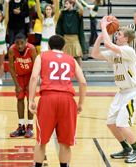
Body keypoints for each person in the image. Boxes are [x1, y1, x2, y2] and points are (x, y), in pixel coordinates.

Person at [91, 18, 136, 163]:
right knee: (111, 123)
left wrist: (103, 26)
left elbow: (109, 45)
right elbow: (94, 54)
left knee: (122, 124)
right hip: (121, 92)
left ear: (126, 39)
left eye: (119, 34)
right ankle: (126, 149)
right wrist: (99, 37)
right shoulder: (115, 52)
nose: (116, 35)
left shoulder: (129, 50)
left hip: (132, 93)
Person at [28, 34, 87, 167]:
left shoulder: (42, 56)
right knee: (65, 143)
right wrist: (81, 103)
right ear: (64, 47)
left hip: (48, 99)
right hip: (67, 100)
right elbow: (83, 82)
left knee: (41, 141)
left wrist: (31, 100)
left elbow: (33, 78)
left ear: (48, 46)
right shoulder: (71, 59)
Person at [9, 33, 37, 138]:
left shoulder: (32, 49)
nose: (20, 46)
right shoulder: (12, 49)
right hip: (19, 75)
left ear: (26, 42)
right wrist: (16, 85)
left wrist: (31, 83)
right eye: (17, 43)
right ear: (14, 43)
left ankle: (30, 126)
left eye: (22, 43)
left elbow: (36, 66)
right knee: (20, 98)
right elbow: (11, 67)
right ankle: (21, 126)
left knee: (30, 100)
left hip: (31, 75)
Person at [56, 0, 86, 68]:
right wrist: (56, 2)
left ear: (71, 4)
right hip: (66, 38)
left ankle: (80, 71)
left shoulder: (76, 13)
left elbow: (82, 9)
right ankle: (66, 71)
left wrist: (76, 1)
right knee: (65, 57)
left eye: (66, 4)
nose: (65, 5)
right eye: (64, 4)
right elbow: (56, 12)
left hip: (75, 38)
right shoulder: (63, 13)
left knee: (78, 55)